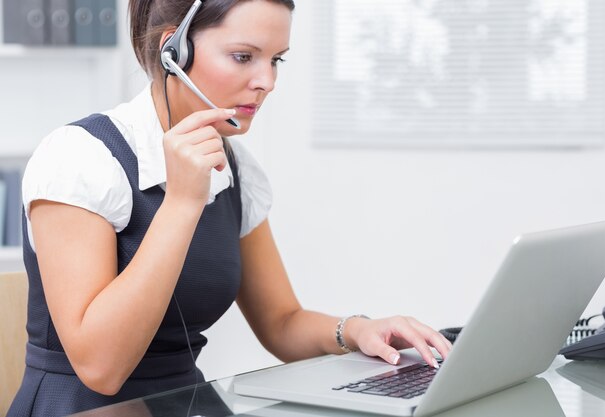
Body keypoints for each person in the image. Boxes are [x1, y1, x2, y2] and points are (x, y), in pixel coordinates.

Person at [7, 1, 452, 416]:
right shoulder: (81, 157)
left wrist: (357, 330)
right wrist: (182, 201)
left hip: (183, 403)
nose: (267, 81)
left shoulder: (235, 168)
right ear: (173, 51)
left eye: (276, 59)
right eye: (244, 57)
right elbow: (100, 368)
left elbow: (280, 322)